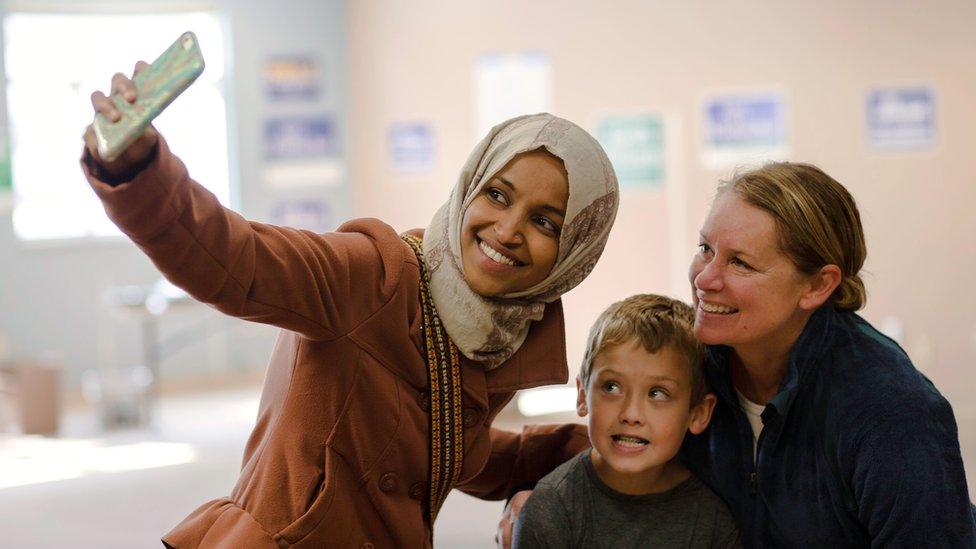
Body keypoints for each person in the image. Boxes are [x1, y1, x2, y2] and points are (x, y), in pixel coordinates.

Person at [82, 63, 619, 548]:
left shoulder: (501, 330)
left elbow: (450, 450)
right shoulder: (370, 275)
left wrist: (600, 445)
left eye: (545, 222)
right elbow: (236, 261)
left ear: (575, 251)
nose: (507, 230)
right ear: (469, 186)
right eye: (497, 194)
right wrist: (142, 175)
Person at [499, 162, 976, 548]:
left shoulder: (892, 411)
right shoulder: (694, 360)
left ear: (817, 285)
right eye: (706, 248)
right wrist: (538, 499)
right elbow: (627, 433)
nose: (705, 279)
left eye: (740, 263)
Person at [512, 294, 740, 548]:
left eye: (657, 393)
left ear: (698, 414)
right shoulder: (551, 509)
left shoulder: (712, 522)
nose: (631, 414)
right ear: (582, 395)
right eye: (611, 387)